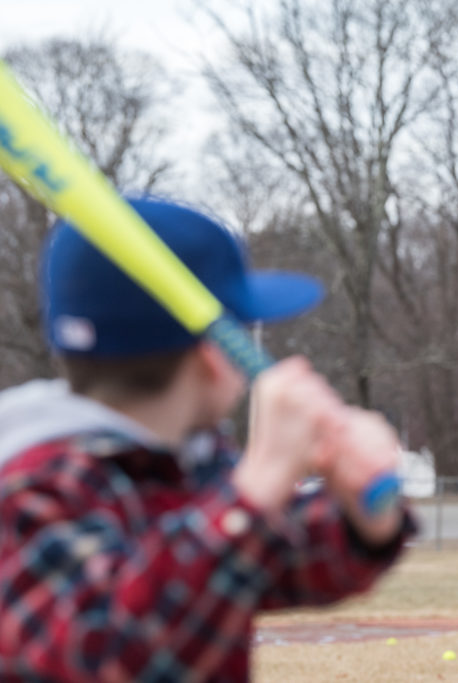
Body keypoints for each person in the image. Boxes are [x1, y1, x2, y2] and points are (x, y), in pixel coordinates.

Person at [0, 197, 415, 681]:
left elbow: (284, 559)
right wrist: (257, 486)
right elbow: (110, 654)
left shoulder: (182, 462)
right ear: (215, 356)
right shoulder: (34, 488)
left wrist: (366, 509)